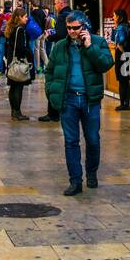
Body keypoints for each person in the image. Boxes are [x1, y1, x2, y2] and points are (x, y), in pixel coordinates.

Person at [45, 11, 114, 195]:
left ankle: (91, 173)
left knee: (92, 139)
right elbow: (50, 71)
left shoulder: (98, 42)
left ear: (84, 26)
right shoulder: (60, 46)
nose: (72, 31)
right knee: (70, 141)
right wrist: (52, 93)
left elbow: (106, 64)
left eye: (75, 28)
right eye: (69, 28)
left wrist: (90, 47)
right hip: (68, 99)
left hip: (89, 99)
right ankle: (75, 180)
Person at [38, 0, 72, 122]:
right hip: (70, 52)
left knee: (53, 82)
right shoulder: (72, 14)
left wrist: (49, 36)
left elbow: (61, 35)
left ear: (62, 3)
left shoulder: (63, 17)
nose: (55, 6)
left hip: (61, 53)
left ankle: (53, 113)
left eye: (56, 3)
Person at [3, 9, 35, 121]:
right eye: (25, 16)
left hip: (12, 60)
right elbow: (20, 47)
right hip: (18, 61)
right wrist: (29, 54)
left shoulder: (13, 28)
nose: (27, 18)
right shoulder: (20, 29)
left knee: (13, 86)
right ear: (19, 17)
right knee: (18, 87)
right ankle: (17, 112)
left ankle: (14, 112)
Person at [111, 9, 130, 110]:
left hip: (122, 55)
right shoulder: (127, 27)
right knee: (125, 80)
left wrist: (120, 48)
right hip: (128, 55)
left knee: (122, 80)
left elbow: (119, 41)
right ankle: (126, 103)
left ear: (119, 17)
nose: (113, 18)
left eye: (114, 16)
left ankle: (123, 104)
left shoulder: (121, 28)